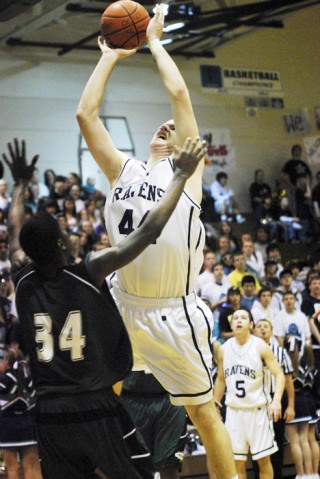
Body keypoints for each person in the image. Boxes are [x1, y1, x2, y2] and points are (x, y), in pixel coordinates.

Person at [76, 5, 237, 479]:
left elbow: (178, 93)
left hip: (172, 310)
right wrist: (110, 53)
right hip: (123, 304)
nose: (168, 134)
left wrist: (155, 42)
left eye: (175, 133)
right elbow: (86, 115)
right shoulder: (123, 171)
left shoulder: (187, 177)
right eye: (162, 132)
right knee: (101, 401)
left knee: (204, 414)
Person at [3, 135, 206, 479]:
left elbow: (13, 232)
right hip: (94, 403)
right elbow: (148, 231)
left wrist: (20, 185)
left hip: (50, 410)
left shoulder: (22, 280)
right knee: (141, 474)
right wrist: (180, 176)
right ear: (59, 241)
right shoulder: (88, 272)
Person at [213, 309, 285, 479]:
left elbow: (279, 374)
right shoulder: (223, 349)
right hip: (234, 412)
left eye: (243, 318)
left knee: (263, 460)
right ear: (231, 324)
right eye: (236, 318)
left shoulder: (260, 346)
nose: (239, 320)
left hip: (257, 411)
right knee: (236, 462)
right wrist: (215, 401)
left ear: (251, 324)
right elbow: (221, 379)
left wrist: (277, 401)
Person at [253, 319, 295, 479]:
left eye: (266, 327)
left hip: (277, 398)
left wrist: (290, 406)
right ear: (254, 330)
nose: (262, 329)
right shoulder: (249, 351)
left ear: (271, 331)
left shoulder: (280, 352)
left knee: (277, 441)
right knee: (258, 443)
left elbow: (289, 382)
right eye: (259, 327)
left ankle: (277, 475)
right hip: (256, 401)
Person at [0, 347, 42, 479]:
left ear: (6, 361)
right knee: (32, 467)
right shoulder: (30, 379)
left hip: (7, 428)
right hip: (28, 427)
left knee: (12, 469)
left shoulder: (4, 380)